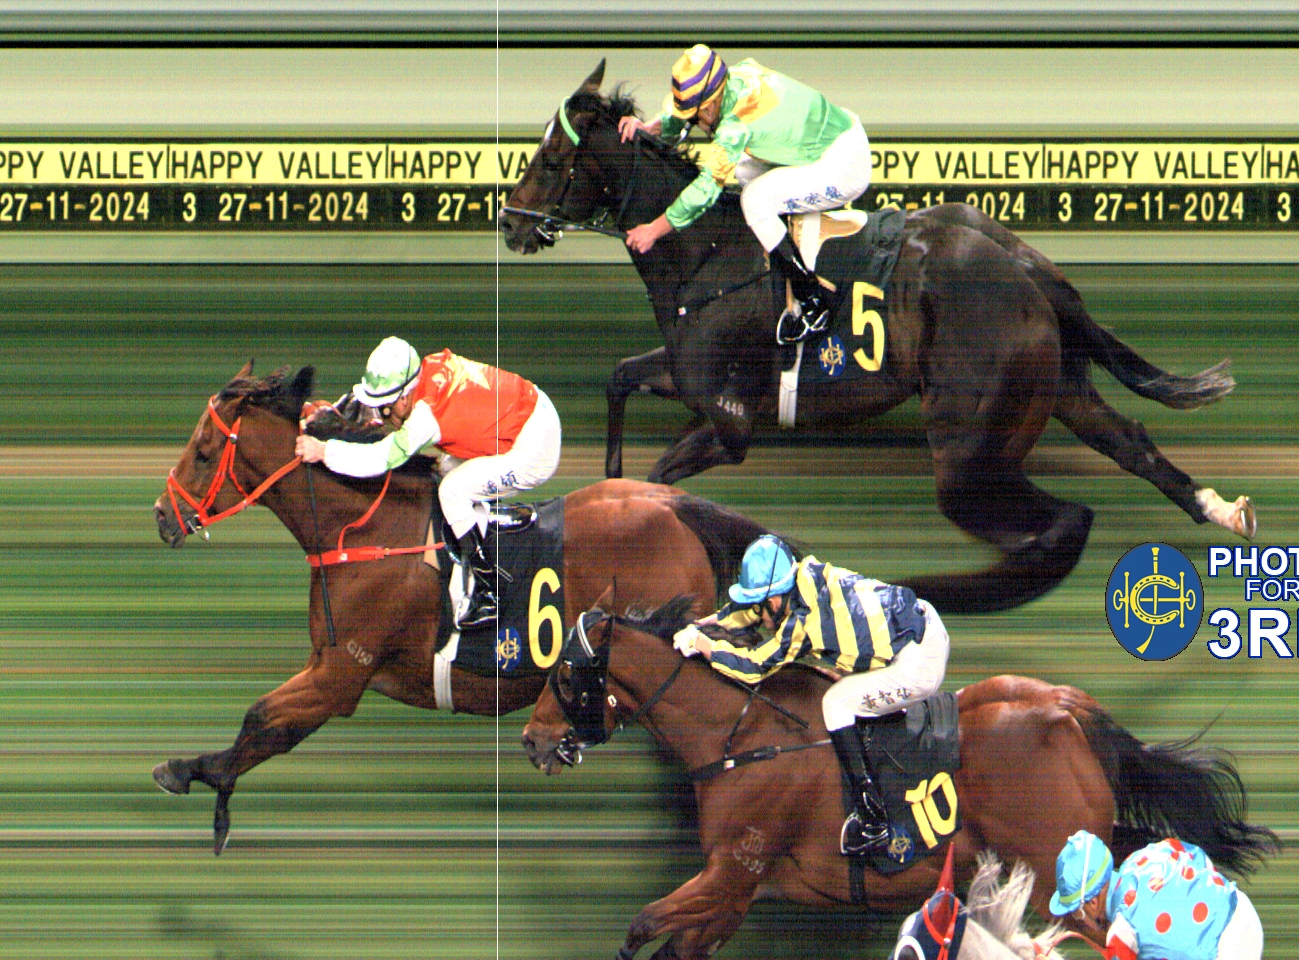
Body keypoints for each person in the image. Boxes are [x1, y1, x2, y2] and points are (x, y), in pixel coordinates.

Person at [670, 535, 949, 857]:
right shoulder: (803, 574)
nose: (760, 616)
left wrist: (703, 645)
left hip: (919, 662)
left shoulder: (804, 622)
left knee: (836, 703)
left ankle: (873, 818)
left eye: (762, 603)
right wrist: (700, 626)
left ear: (777, 598)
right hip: (918, 624)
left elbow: (755, 666)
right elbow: (749, 612)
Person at [295, 336, 562, 630]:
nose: (385, 416)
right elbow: (374, 401)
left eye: (386, 408)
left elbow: (380, 459)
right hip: (531, 412)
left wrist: (323, 451)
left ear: (403, 398)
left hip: (536, 447)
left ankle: (491, 592)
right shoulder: (426, 369)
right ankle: (480, 538)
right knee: (445, 468)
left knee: (452, 491)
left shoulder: (425, 417)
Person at [618, 44, 872, 345]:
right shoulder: (735, 76)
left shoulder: (734, 126)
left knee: (754, 200)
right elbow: (684, 115)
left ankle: (812, 301)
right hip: (838, 134)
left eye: (695, 118)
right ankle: (780, 248)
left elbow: (706, 189)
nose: (695, 124)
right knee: (744, 171)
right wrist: (649, 127)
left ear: (709, 107)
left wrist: (654, 229)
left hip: (845, 165)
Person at [1048, 831, 1263, 960]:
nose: (1081, 920)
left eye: (1077, 913)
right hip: (1242, 910)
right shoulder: (1144, 855)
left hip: (1225, 950)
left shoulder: (1120, 934)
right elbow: (1198, 856)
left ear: (1093, 903)